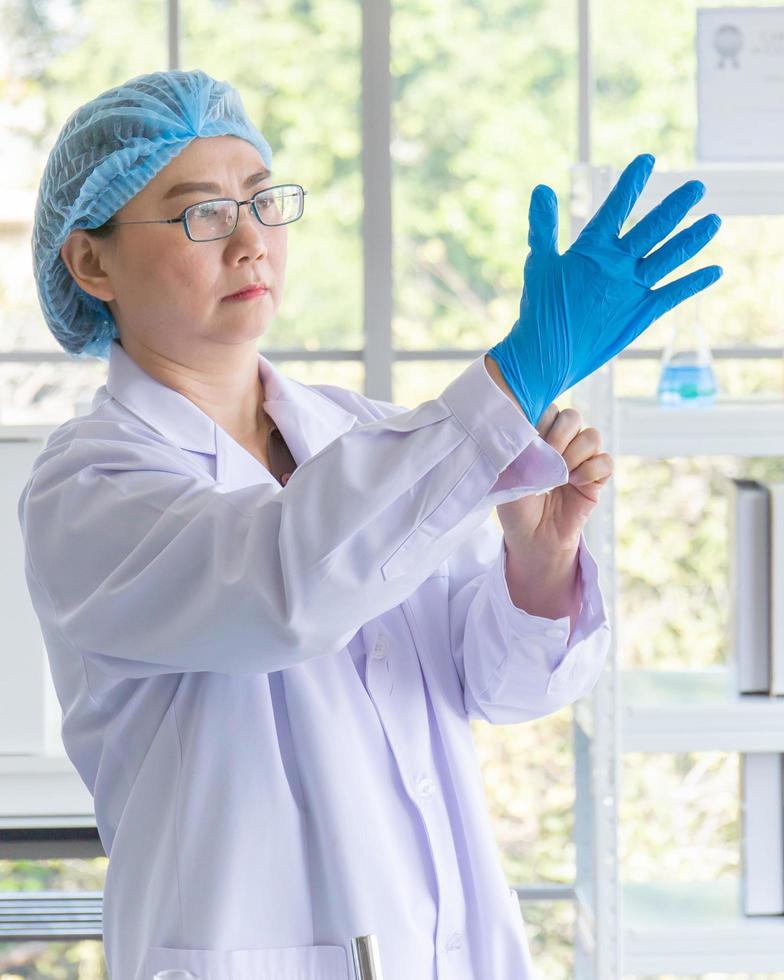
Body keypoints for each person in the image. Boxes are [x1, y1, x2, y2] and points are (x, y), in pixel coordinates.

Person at [17, 69, 721, 980]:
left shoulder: (364, 435)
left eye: (262, 200)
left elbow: (500, 687)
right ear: (92, 263)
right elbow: (281, 585)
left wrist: (538, 572)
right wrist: (509, 381)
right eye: (200, 214)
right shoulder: (89, 486)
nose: (250, 242)